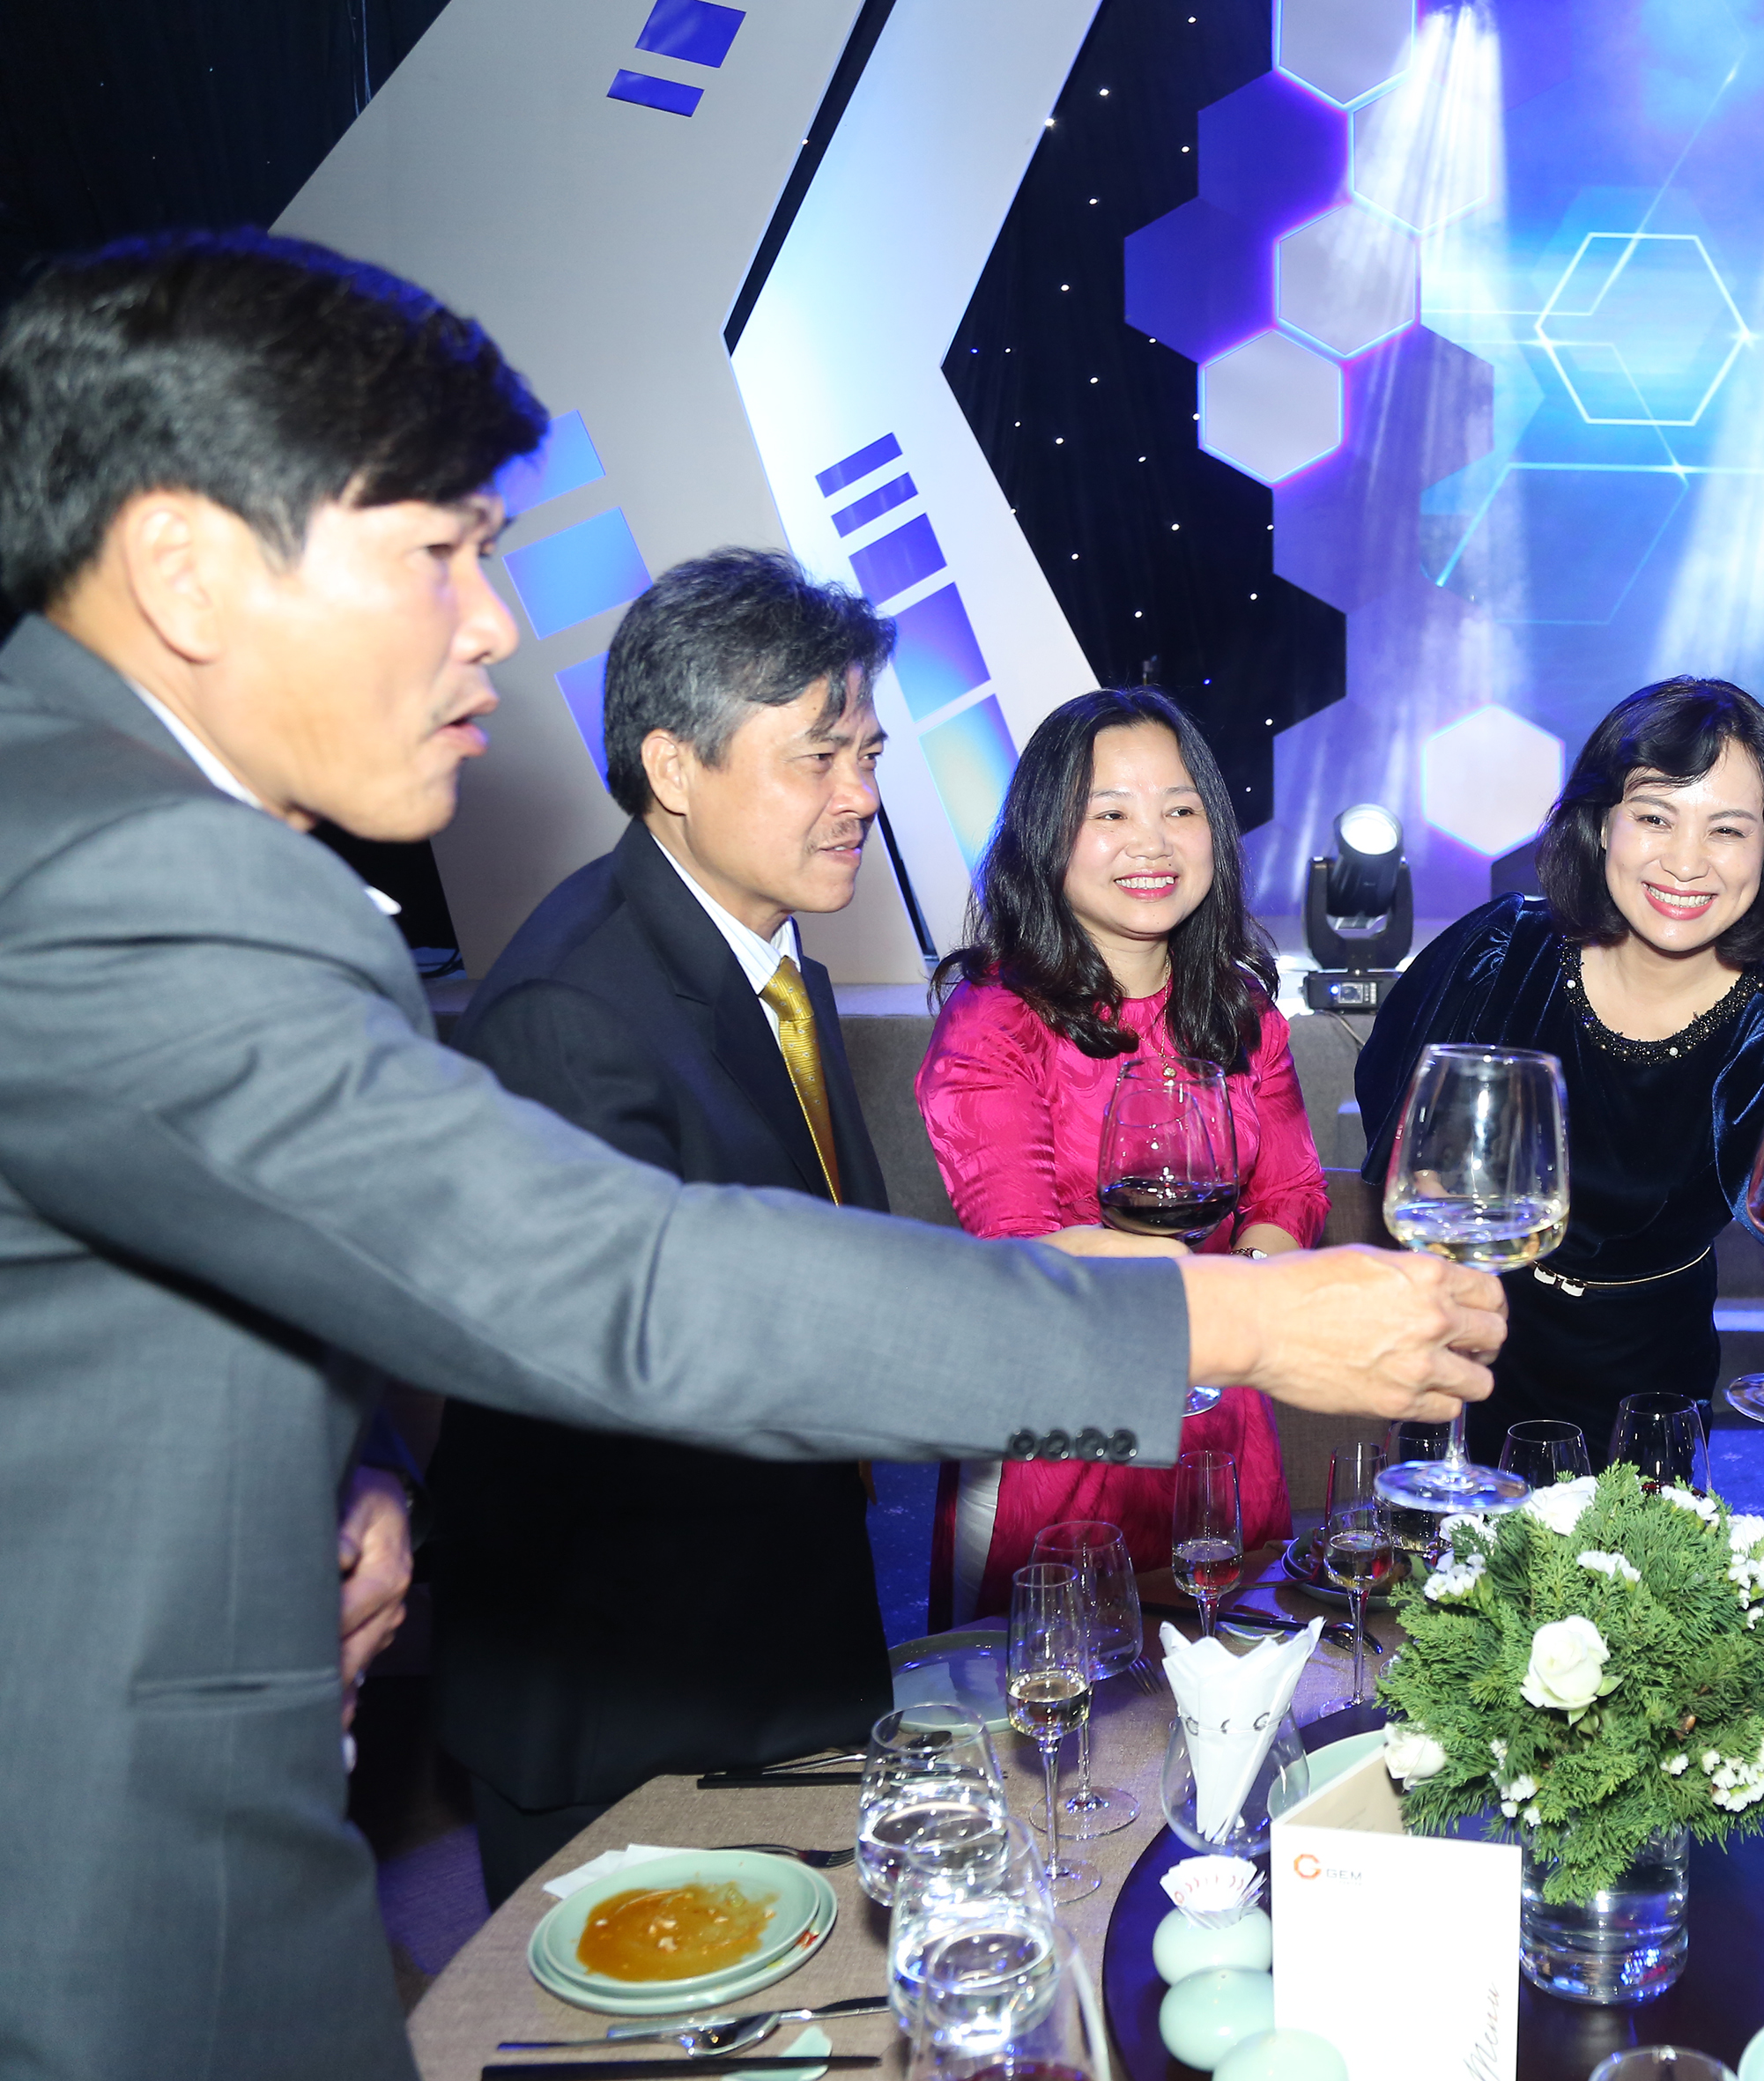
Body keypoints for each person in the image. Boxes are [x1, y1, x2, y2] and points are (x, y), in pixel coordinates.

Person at [0, 231, 1496, 2081]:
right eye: (439, 551)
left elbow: (225, 1255)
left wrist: (351, 1464)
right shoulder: (130, 873)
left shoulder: (101, 833)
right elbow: (631, 1282)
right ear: (183, 566)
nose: (490, 624)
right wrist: (1242, 1322)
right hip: (100, 1873)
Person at [431, 548, 908, 1902]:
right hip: (637, 1698)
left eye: (870, 755)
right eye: (819, 758)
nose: (862, 797)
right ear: (674, 766)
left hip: (778, 1639)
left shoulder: (756, 952)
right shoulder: (575, 1016)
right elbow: (680, 1373)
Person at [1355, 677, 1764, 1460]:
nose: (1685, 862)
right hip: (1460, 1353)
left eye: (1726, 830)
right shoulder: (1497, 957)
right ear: (1603, 822)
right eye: (1654, 817)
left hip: (1645, 1396)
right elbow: (1395, 1126)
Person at [918, 687, 1319, 1615]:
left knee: (1231, 1678)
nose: (1153, 843)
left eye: (1180, 810)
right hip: (1056, 1435)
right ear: (1047, 838)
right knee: (1062, 1686)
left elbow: (1289, 1194)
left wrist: (1241, 1302)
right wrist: (1215, 1301)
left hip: (1217, 1422)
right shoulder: (995, 1024)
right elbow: (1022, 1249)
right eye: (1110, 815)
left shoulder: (1240, 1010)